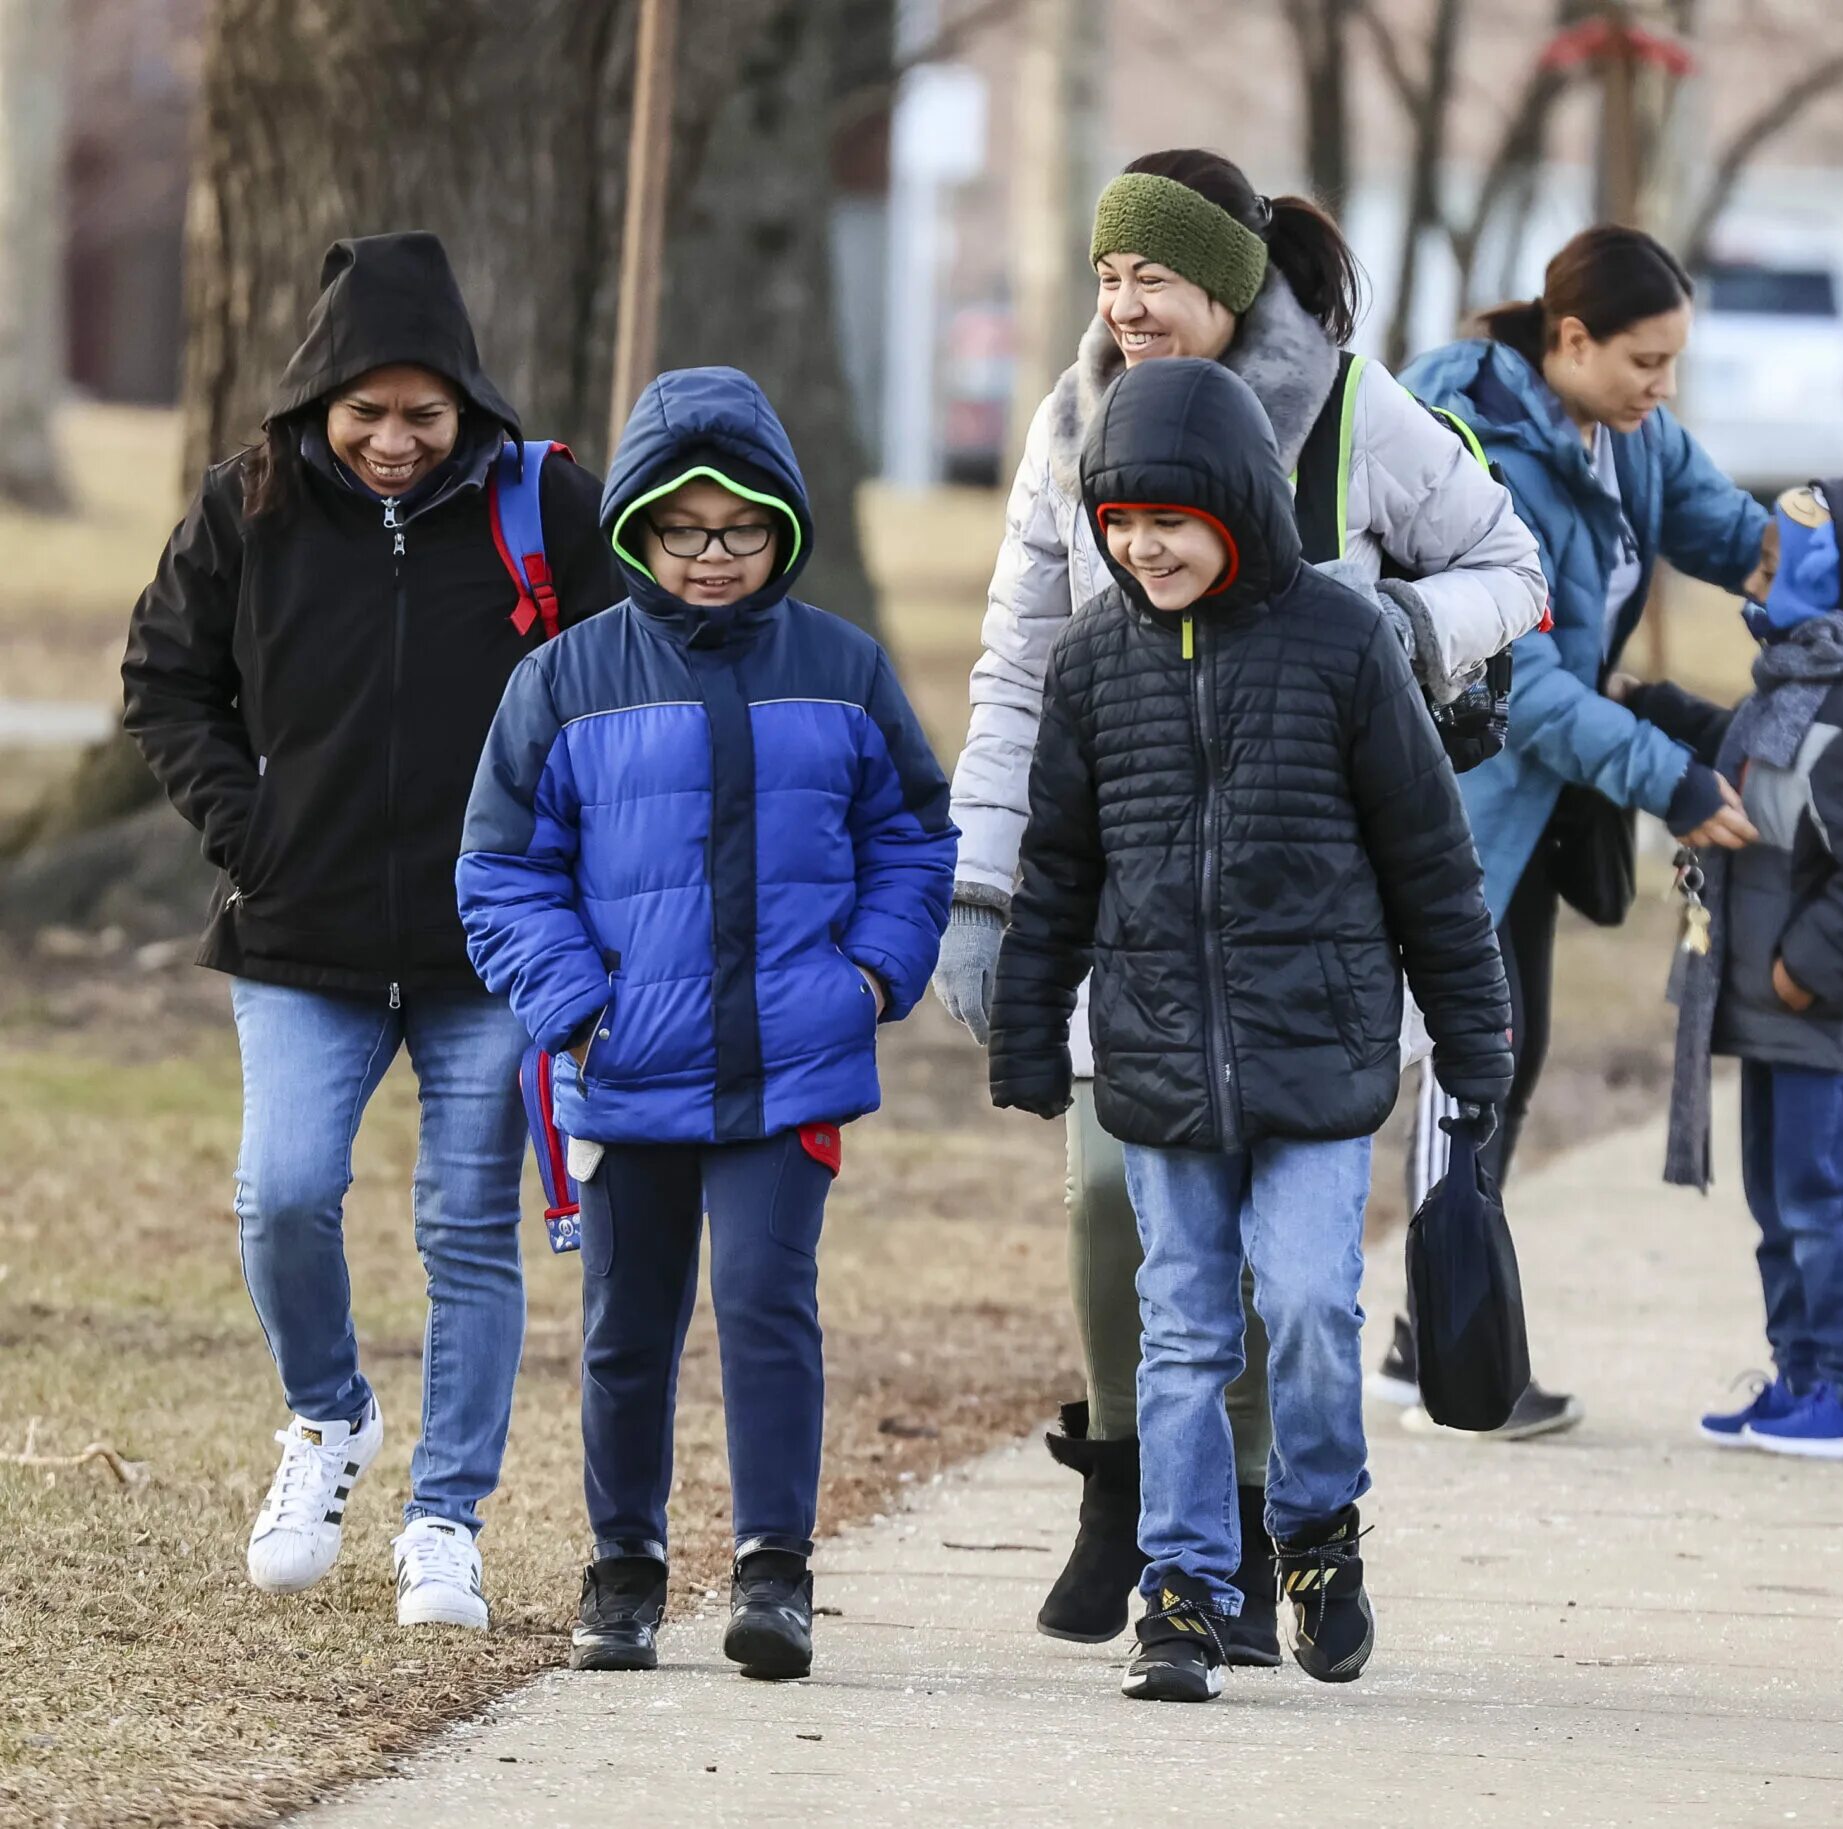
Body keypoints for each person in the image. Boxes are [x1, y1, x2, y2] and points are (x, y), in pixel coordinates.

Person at [931, 147, 1545, 1659]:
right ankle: (1152, 1522)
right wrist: (985, 885)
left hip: (1311, 917)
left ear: (1228, 281)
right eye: (1108, 276)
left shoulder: (1356, 407)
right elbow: (1020, 668)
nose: (1127, 304)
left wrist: (1404, 621)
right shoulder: (1071, 426)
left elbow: (1512, 566)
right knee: (1124, 1223)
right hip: (1141, 901)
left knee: (1298, 1283)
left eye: (1156, 277)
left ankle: (1284, 1524)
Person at [121, 232, 620, 1628]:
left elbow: (619, 694)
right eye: (367, 412)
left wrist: (567, 872)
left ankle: (446, 1517)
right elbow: (164, 678)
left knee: (469, 1227)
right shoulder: (249, 507)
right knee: (282, 1192)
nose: (395, 440)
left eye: (423, 414)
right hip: (301, 928)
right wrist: (252, 826)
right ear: (317, 404)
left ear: (466, 406)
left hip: (490, 944)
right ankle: (329, 1420)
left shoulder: (547, 509)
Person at [457, 366, 958, 1679]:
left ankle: (774, 1570)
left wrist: (869, 976)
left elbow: (914, 839)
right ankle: (623, 1566)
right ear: (637, 531)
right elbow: (501, 871)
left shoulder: (843, 668)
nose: (715, 555)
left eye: (739, 528)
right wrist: (575, 1003)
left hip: (792, 1065)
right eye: (685, 530)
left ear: (781, 524)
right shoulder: (564, 682)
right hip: (623, 1068)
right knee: (627, 1322)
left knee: (764, 1301)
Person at [1392, 225, 1773, 1428]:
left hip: (1544, 806)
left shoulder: (1625, 433)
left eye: (1674, 366)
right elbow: (1530, 680)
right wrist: (1673, 782)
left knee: (1512, 1053)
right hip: (1462, 799)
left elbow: (1734, 533)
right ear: (1570, 342)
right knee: (1470, 1069)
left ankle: (1432, 1335)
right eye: (1645, 364)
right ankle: (1442, 1352)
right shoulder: (1470, 451)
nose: (1664, 392)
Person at [1616, 481, 1843, 1462]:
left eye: (1782, 561)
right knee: (1780, 1196)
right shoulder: (1799, 688)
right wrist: (1650, 707)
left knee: (1821, 1191)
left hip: (1824, 1005)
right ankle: (1802, 1373)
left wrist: (1802, 971)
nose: (1759, 571)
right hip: (1783, 1002)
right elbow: (1746, 761)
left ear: (1839, 584)